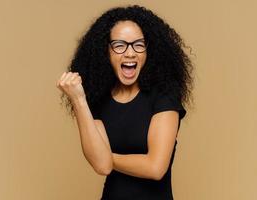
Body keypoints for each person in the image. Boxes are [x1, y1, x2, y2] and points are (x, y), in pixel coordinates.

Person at [56, 4, 194, 200]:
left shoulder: (164, 96)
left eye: (138, 44)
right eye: (120, 45)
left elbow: (156, 167)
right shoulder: (97, 100)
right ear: (106, 51)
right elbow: (102, 166)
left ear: (149, 50)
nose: (130, 53)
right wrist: (79, 100)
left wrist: (108, 157)